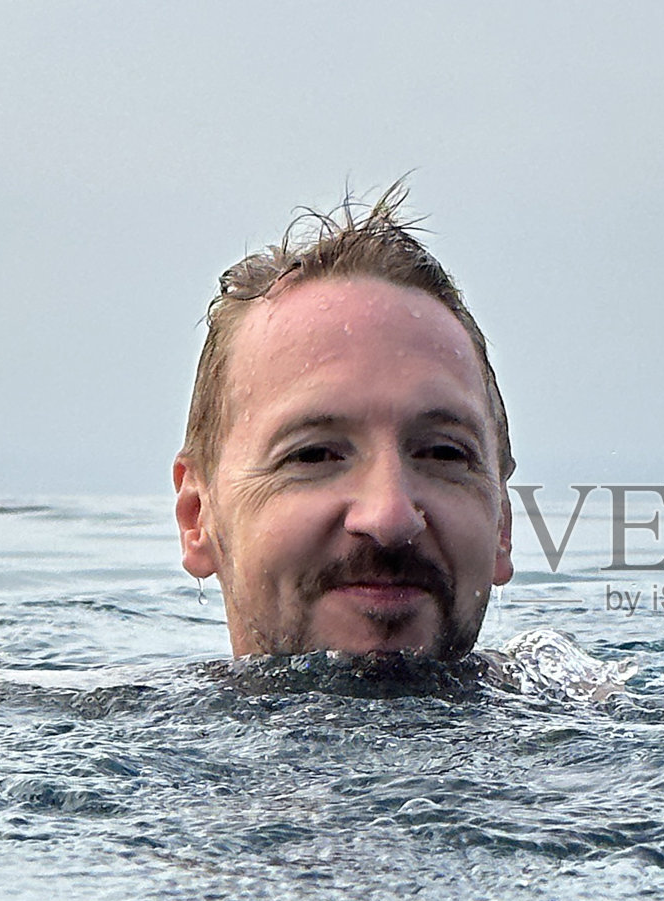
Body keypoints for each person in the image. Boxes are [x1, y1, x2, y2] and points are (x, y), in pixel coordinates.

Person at [172, 183, 515, 661]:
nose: (390, 518)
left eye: (444, 453)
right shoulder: (92, 722)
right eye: (313, 454)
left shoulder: (592, 717)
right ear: (198, 517)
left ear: (503, 525)